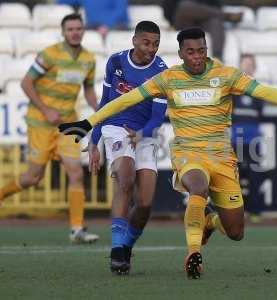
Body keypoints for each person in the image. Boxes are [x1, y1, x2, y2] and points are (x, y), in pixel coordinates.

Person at [58, 27, 277, 279]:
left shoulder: (226, 75)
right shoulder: (168, 78)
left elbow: (263, 91)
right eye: (190, 51)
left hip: (222, 157)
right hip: (189, 153)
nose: (197, 56)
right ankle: (193, 252)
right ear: (180, 54)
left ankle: (210, 221)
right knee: (197, 187)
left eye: (201, 50)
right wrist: (88, 123)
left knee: (235, 231)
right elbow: (126, 99)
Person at [0, 13, 99, 244]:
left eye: (78, 28)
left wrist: (101, 109)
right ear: (63, 32)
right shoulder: (49, 54)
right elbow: (26, 82)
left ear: (83, 30)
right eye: (70, 29)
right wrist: (45, 110)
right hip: (40, 123)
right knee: (33, 177)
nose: (75, 32)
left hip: (67, 125)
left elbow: (89, 90)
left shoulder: (88, 59)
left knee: (75, 173)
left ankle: (77, 229)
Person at [88, 21, 167, 275]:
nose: (151, 48)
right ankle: (116, 250)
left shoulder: (162, 71)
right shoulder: (116, 62)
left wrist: (142, 133)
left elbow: (158, 117)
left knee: (144, 204)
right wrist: (94, 141)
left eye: (156, 43)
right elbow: (105, 103)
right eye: (146, 42)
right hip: (116, 128)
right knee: (125, 179)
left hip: (144, 134)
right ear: (134, 41)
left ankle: (125, 247)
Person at [231, 54, 265, 221]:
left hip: (253, 141)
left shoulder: (258, 90)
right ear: (240, 66)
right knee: (233, 177)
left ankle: (255, 212)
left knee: (255, 176)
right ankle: (236, 211)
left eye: (250, 64)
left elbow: (260, 114)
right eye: (244, 64)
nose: (247, 67)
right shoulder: (233, 89)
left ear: (254, 67)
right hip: (235, 140)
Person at [162, 0, 242, 60]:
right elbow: (168, 9)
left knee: (216, 21)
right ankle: (226, 16)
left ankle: (217, 59)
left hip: (203, 21)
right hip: (183, 21)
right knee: (185, 6)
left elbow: (216, 6)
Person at [58, 0, 130, 38]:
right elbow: (62, 1)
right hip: (92, 26)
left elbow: (121, 11)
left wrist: (106, 26)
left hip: (117, 27)